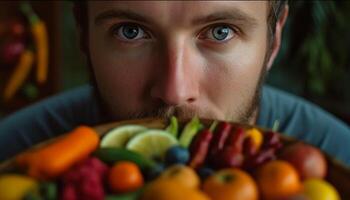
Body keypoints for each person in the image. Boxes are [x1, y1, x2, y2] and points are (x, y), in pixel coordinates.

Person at [0, 1, 349, 165]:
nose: (174, 91)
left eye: (220, 32)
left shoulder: (339, 163)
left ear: (273, 41)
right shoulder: (13, 160)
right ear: (83, 36)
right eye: (130, 31)